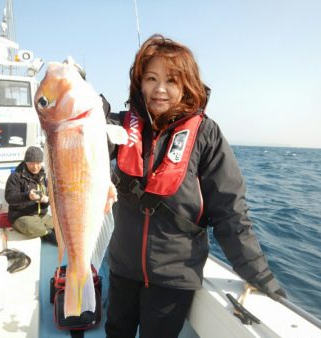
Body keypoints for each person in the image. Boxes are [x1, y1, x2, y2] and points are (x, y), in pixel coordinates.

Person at [105, 34, 286, 338]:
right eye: (151, 78)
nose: (160, 89)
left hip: (173, 278)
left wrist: (259, 274)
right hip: (122, 268)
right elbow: (81, 135)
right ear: (139, 83)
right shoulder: (121, 126)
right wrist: (88, 106)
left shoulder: (206, 134)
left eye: (172, 80)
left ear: (186, 85)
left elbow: (230, 212)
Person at [4, 146, 56, 244]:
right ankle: (45, 233)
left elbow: (53, 198)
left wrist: (46, 199)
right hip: (22, 216)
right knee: (34, 228)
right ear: (26, 162)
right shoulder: (15, 177)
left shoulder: (44, 177)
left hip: (42, 215)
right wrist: (27, 196)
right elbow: (10, 198)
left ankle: (45, 230)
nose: (35, 166)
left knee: (60, 226)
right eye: (32, 163)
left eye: (38, 163)